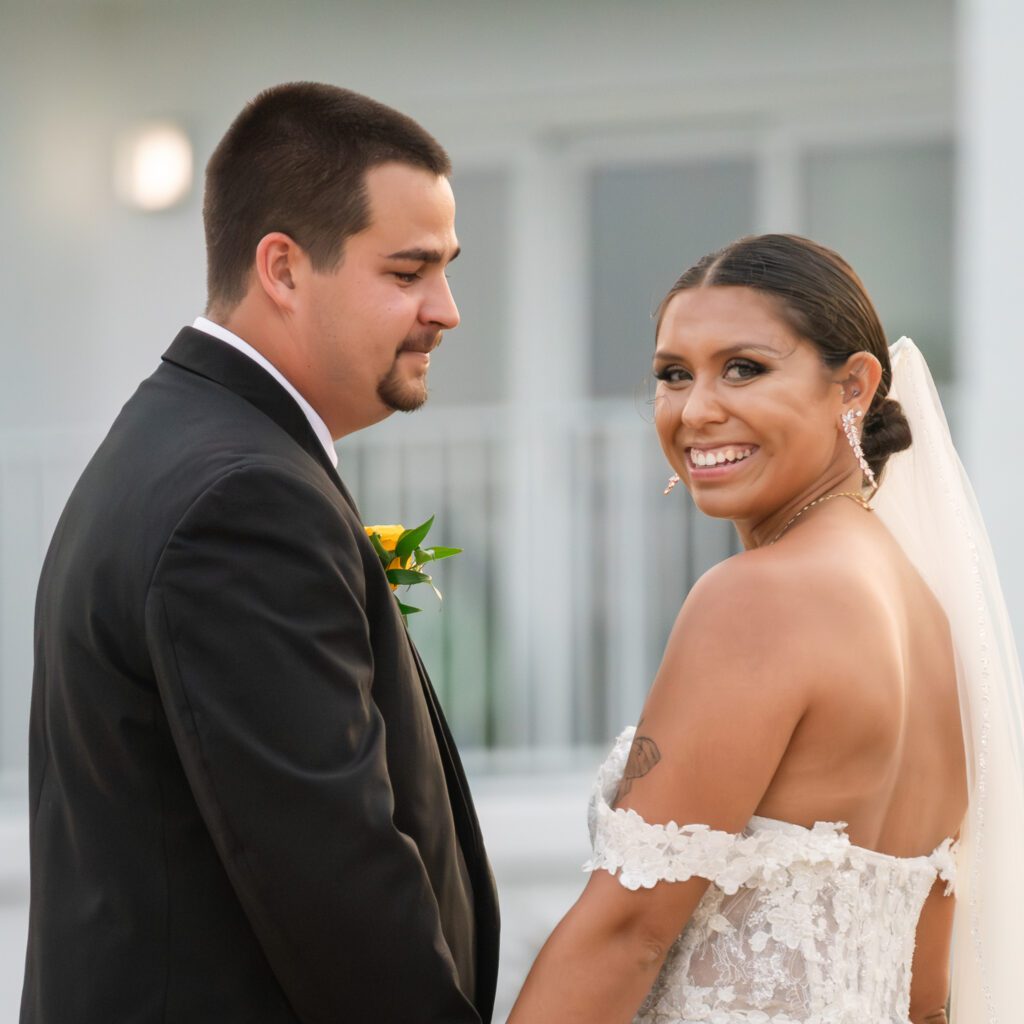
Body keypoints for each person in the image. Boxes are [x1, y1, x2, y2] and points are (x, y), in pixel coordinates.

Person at [21, 82, 499, 1023]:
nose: (445, 309)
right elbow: (334, 880)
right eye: (408, 273)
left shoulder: (186, 442)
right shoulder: (243, 499)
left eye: (444, 269)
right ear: (281, 267)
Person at [508, 234, 1024, 1023]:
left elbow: (627, 932)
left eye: (744, 368)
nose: (697, 408)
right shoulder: (928, 619)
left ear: (854, 385)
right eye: (673, 375)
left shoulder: (759, 598)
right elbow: (926, 998)